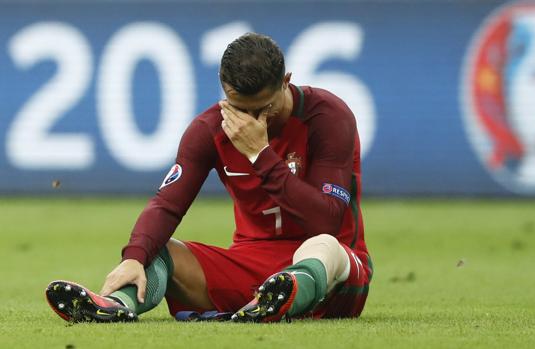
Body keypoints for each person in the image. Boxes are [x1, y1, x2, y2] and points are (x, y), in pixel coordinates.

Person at [45, 32, 372, 323]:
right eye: (239, 108)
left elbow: (326, 220)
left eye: (264, 108)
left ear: (286, 81)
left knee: (323, 246)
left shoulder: (328, 117)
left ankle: (286, 293)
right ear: (224, 89)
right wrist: (134, 258)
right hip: (252, 268)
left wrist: (260, 154)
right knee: (158, 248)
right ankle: (115, 305)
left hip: (336, 275)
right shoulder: (209, 130)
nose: (251, 120)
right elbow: (167, 205)